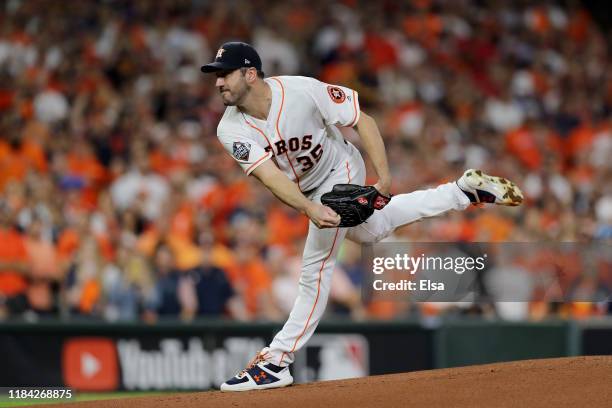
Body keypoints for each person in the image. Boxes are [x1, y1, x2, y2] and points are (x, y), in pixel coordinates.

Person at [200, 42, 523, 391]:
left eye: (225, 73)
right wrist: (310, 208)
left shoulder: (301, 90)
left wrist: (383, 179)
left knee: (315, 268)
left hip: (341, 169)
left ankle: (277, 360)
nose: (218, 82)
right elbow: (271, 177)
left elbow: (361, 120)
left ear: (250, 73)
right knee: (375, 230)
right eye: (216, 75)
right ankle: (462, 192)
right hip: (310, 192)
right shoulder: (229, 128)